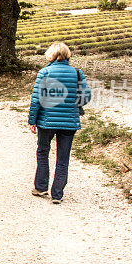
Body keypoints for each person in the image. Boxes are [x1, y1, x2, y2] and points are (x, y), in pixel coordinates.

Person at [27, 42, 91, 204]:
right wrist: (71, 104)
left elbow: (37, 100)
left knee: (43, 152)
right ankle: (57, 194)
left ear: (51, 55)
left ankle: (41, 187)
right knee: (63, 158)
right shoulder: (77, 73)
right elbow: (86, 97)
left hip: (46, 121)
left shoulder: (45, 72)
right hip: (69, 122)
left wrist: (32, 120)